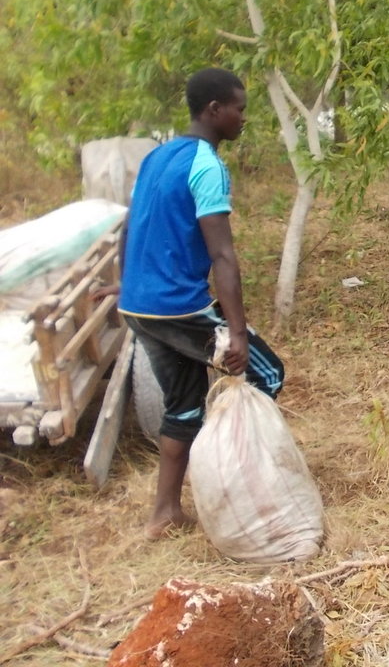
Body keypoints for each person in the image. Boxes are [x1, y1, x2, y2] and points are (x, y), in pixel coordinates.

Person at [100, 68, 284, 540]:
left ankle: (164, 512)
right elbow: (223, 254)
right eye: (239, 109)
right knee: (268, 374)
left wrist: (125, 285)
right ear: (214, 110)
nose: (243, 118)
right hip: (179, 307)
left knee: (182, 406)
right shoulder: (205, 164)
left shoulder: (157, 157)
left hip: (141, 309)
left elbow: (127, 227)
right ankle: (241, 487)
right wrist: (237, 332)